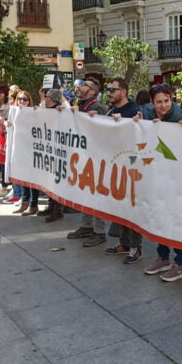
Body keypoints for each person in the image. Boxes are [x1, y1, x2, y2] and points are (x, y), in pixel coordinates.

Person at [142, 84, 182, 280]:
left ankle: (181, 263)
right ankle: (163, 257)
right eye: (159, 102)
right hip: (159, 176)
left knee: (176, 219)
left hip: (177, 179)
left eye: (166, 101)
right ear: (152, 103)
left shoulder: (178, 118)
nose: (163, 105)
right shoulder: (150, 115)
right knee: (160, 217)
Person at [102, 77, 143, 264]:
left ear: (123, 92)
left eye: (112, 89)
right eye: (108, 89)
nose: (109, 93)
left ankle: (136, 248)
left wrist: (125, 122)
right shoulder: (113, 109)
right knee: (121, 207)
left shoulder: (133, 110)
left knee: (132, 209)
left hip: (131, 166)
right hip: (116, 165)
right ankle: (124, 244)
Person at [67, 79, 110, 245]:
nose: (79, 86)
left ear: (92, 91)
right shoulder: (82, 105)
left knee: (96, 194)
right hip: (83, 157)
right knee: (84, 192)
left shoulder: (96, 107)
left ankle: (99, 231)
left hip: (96, 158)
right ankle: (86, 226)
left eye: (84, 84)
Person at [36, 89, 66, 223]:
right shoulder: (46, 109)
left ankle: (57, 210)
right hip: (48, 149)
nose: (45, 98)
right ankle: (51, 205)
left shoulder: (59, 111)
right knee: (48, 179)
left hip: (57, 151)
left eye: (46, 96)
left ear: (51, 98)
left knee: (56, 182)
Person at [9, 90, 40, 215]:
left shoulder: (34, 112)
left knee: (32, 178)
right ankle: (24, 202)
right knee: (22, 176)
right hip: (19, 148)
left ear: (29, 101)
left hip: (31, 149)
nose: (22, 101)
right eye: (20, 99)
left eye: (25, 99)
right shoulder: (14, 112)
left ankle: (33, 204)